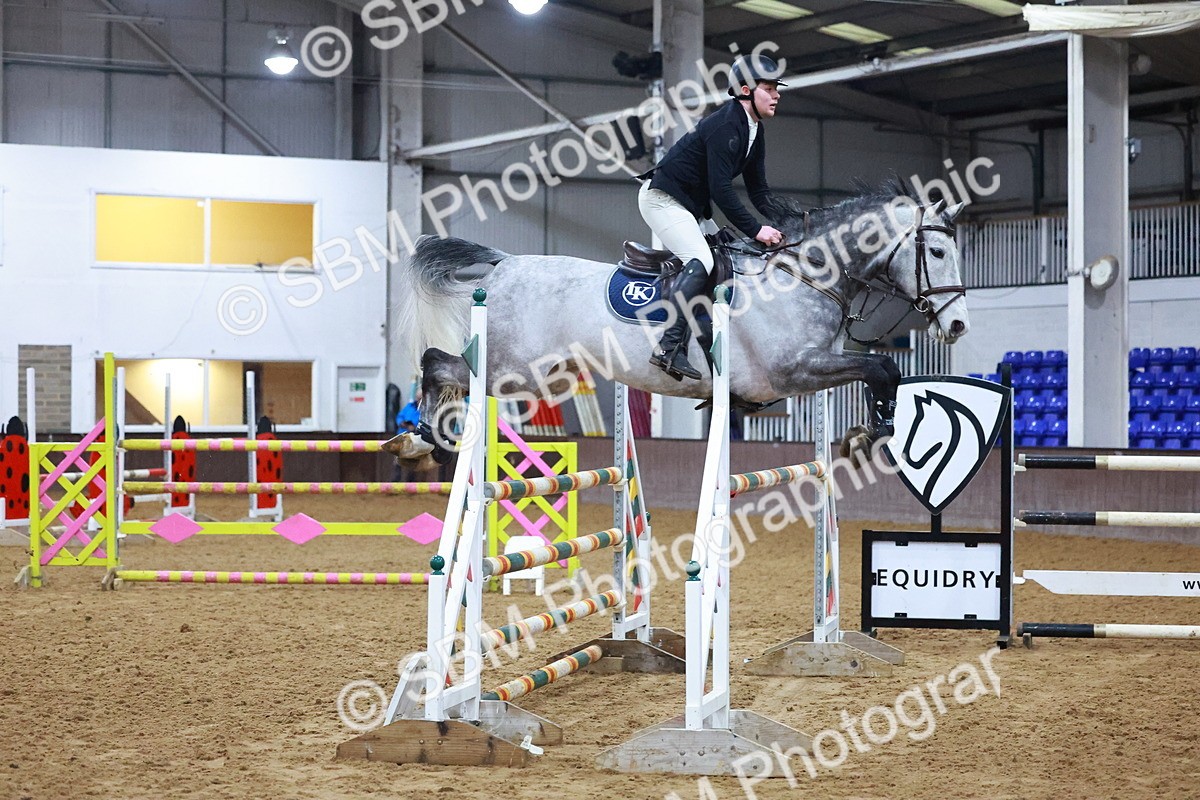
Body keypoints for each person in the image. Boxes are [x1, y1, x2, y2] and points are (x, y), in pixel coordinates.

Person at [638, 53, 786, 380]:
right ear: (746, 90)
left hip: (689, 206)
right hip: (662, 198)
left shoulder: (753, 130)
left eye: (777, 88)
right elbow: (721, 190)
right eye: (770, 88)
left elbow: (759, 190)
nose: (777, 94)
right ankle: (668, 346)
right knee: (702, 260)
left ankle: (708, 337)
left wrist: (790, 219)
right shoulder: (724, 125)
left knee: (728, 258)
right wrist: (756, 229)